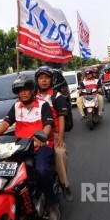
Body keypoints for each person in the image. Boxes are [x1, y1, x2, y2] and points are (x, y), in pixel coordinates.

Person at [0, 74, 61, 220]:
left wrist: (41, 136)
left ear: (32, 90)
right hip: (20, 148)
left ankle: (51, 202)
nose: (23, 93)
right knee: (3, 171)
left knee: (41, 170)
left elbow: (48, 124)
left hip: (40, 146)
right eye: (19, 90)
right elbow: (5, 123)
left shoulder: (43, 105)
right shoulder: (16, 106)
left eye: (26, 89)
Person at [35, 66, 73, 202]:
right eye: (40, 78)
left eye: (46, 78)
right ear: (37, 80)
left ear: (51, 80)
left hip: (54, 134)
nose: (43, 81)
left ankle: (64, 184)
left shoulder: (56, 96)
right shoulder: (32, 96)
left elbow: (61, 118)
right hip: (35, 135)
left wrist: (60, 137)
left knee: (60, 153)